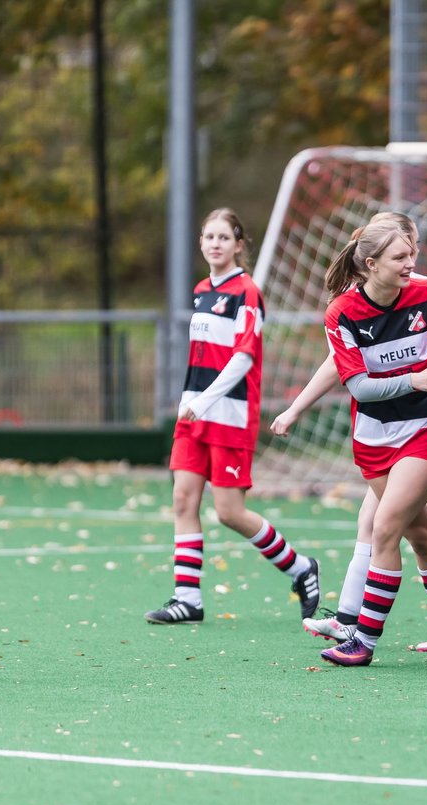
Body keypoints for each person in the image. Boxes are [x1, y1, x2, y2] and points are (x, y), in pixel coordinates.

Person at [271, 212, 427, 653]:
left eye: (412, 253)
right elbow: (358, 384)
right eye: (401, 256)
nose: (411, 263)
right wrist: (295, 409)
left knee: (382, 527)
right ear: (370, 263)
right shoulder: (343, 312)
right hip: (375, 436)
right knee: (420, 536)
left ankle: (359, 636)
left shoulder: (426, 291)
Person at [144, 208, 321, 625]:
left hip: (230, 414)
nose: (215, 244)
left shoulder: (248, 292)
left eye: (224, 237)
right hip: (195, 414)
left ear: (239, 244)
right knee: (183, 499)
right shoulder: (202, 289)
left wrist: (204, 400)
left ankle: (301, 569)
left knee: (228, 511)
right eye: (209, 237)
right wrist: (194, 401)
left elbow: (243, 358)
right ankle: (187, 598)